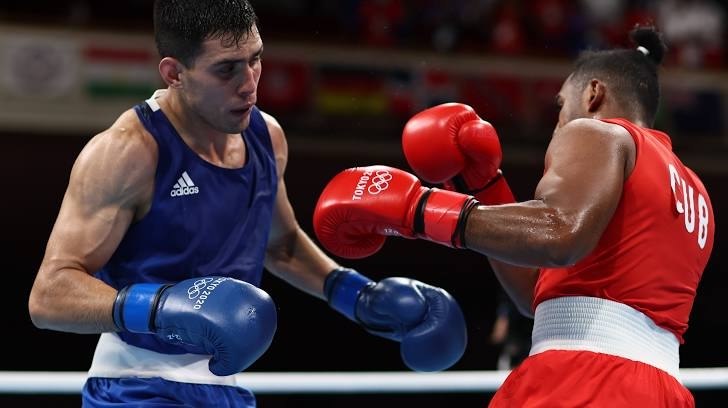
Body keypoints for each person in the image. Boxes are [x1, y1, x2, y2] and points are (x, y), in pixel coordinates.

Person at [27, 1, 469, 406]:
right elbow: (48, 296)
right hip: (136, 384)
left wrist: (357, 295)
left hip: (227, 387)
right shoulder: (129, 151)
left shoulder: (265, 137)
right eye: (226, 70)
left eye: (255, 59)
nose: (249, 84)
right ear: (173, 73)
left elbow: (279, 245)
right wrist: (161, 308)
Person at [313, 25, 714, 407]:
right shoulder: (695, 193)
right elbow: (536, 295)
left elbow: (561, 235)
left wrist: (418, 210)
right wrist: (488, 188)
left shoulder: (597, 132)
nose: (560, 121)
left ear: (593, 93)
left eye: (561, 104)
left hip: (583, 379)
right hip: (660, 389)